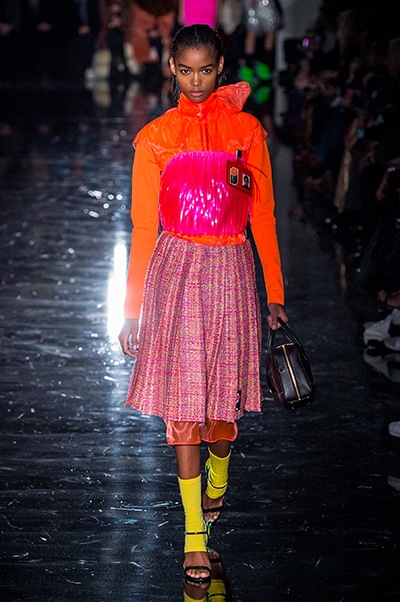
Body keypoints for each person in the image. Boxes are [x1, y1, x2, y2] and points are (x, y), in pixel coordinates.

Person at [118, 24, 287, 586]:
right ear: (171, 67)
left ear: (220, 67)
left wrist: (276, 294)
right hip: (177, 273)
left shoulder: (245, 131)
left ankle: (219, 475)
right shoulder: (156, 138)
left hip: (233, 269)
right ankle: (195, 537)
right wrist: (133, 310)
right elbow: (144, 227)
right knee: (185, 411)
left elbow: (262, 215)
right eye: (186, 70)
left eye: (206, 70)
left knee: (222, 418)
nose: (195, 81)